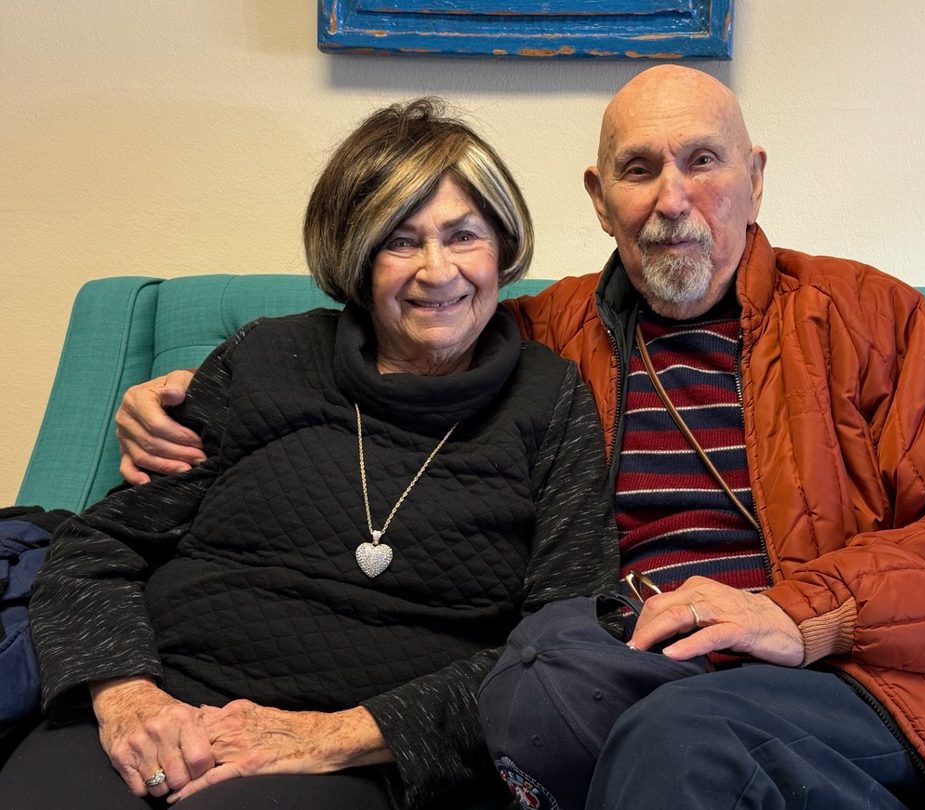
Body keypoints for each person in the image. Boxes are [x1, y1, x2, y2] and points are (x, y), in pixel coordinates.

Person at [108, 65, 925, 809]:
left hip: (843, 678)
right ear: (596, 194)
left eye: (703, 160)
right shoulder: (541, 336)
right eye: (639, 168)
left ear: (754, 176)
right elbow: (396, 353)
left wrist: (802, 612)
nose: (672, 199)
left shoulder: (865, 315)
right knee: (553, 699)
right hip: (616, 667)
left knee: (682, 739)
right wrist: (208, 393)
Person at [0, 98, 615, 810]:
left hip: (358, 754)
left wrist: (337, 736)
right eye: (400, 240)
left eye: (463, 235)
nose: (437, 270)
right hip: (160, 706)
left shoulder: (550, 399)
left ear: (503, 248)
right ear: (354, 256)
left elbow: (562, 641)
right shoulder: (267, 357)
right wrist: (128, 701)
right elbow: (98, 548)